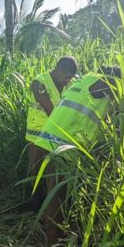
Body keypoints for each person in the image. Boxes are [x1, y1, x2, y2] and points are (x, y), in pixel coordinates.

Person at [32, 66, 124, 245]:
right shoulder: (104, 82)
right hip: (60, 144)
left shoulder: (85, 80)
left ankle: (56, 229)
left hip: (49, 138)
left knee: (59, 192)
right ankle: (53, 244)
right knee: (57, 194)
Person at [24, 56, 78, 209]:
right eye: (66, 77)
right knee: (33, 168)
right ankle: (31, 202)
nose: (67, 81)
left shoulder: (71, 84)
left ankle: (48, 205)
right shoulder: (39, 83)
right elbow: (51, 111)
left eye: (70, 78)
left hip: (55, 133)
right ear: (58, 70)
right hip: (37, 133)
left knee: (50, 171)